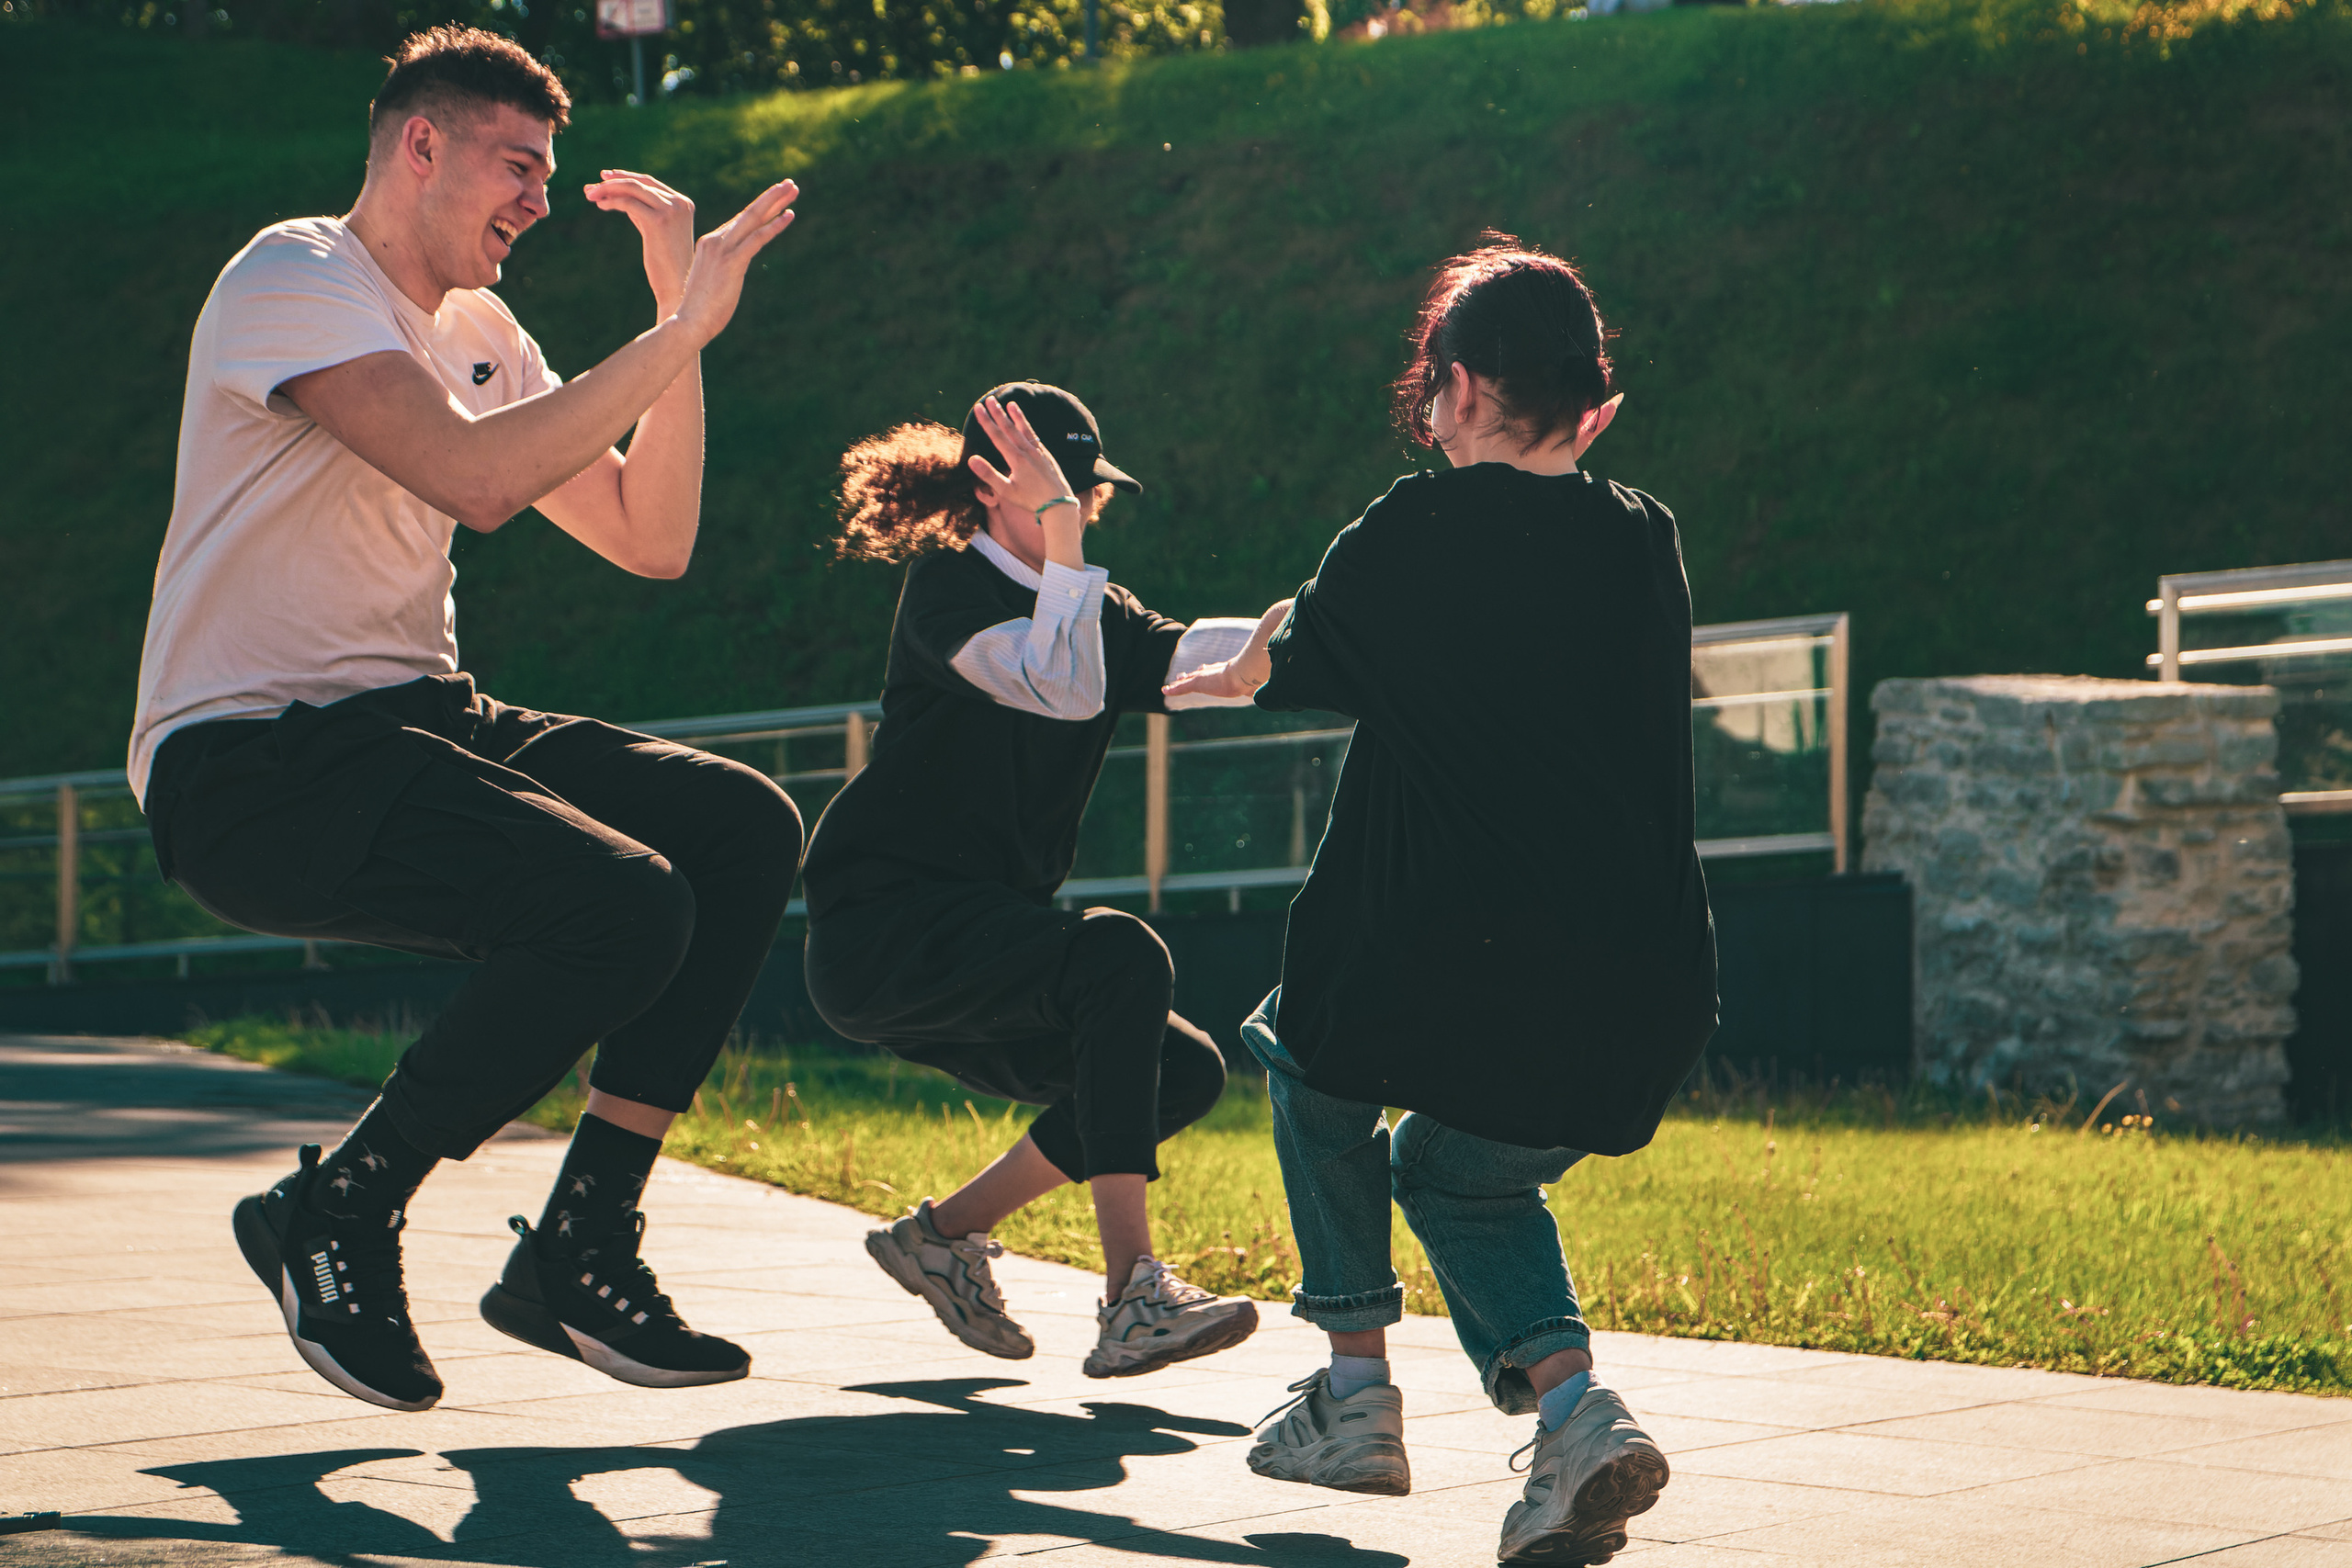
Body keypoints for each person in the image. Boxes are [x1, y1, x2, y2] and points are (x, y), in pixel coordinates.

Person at [128, 27, 807, 1413]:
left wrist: (680, 324)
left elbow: (648, 533)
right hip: (253, 759)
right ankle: (343, 1206)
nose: (539, 199)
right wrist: (677, 329)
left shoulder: (482, 332)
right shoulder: (296, 277)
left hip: (418, 719)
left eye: (551, 172)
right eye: (517, 164)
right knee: (621, 902)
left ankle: (580, 1240)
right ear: (418, 146)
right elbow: (475, 480)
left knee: (738, 825)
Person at [1164, 236, 1718, 1564]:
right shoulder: (1647, 538)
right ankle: (1579, 1414)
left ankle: (1356, 1390)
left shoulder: (1407, 533)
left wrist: (1222, 657)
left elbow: (1278, 671)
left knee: (1306, 1048)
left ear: (1460, 389)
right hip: (1638, 987)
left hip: (1442, 963)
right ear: (1594, 404)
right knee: (1455, 1173)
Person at [801, 385, 1289, 1378]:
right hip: (886, 935)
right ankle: (1132, 1295)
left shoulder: (1089, 603)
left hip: (981, 941)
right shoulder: (947, 592)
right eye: (1062, 493)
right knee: (1116, 953)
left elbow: (1192, 658)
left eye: (1088, 495)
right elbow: (1057, 681)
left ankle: (938, 1238)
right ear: (990, 487)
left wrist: (1294, 644)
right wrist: (1064, 538)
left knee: (1180, 1071)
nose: (1085, 510)